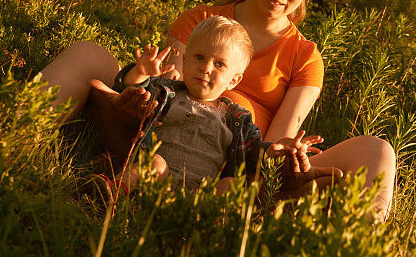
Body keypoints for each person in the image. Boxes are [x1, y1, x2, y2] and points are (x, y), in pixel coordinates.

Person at [40, 0, 396, 219]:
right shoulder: (201, 19)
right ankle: (15, 130)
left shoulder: (305, 56)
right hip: (163, 141)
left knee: (378, 150)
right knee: (88, 53)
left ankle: (361, 238)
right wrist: (134, 94)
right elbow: (170, 89)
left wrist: (288, 157)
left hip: (240, 166)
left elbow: (276, 141)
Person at [86, 16, 330, 202]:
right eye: (200, 58)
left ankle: (215, 227)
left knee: (231, 184)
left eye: (219, 64)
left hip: (202, 194)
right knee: (154, 163)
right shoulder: (167, 92)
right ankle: (112, 192)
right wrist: (142, 74)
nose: (206, 68)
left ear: (233, 80)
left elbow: (253, 149)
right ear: (185, 60)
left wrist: (277, 150)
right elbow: (136, 92)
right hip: (155, 181)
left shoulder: (235, 118)